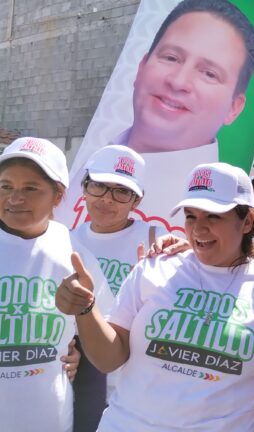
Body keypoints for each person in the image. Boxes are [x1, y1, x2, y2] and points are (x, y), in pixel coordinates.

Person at [55, 162, 254, 431]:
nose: (198, 228)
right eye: (191, 216)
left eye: (213, 216)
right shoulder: (155, 266)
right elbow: (110, 359)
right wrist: (87, 308)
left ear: (247, 222)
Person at [61, 0, 254, 232]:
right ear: (142, 67)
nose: (178, 82)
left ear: (234, 107)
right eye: (171, 58)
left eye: (209, 73)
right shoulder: (96, 158)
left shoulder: (219, 206)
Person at [0, 137, 113, 432]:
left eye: (31, 188)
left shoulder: (76, 255)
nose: (15, 198)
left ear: (58, 196)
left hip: (49, 421)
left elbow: (103, 346)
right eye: (6, 187)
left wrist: (82, 351)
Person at [69, 144, 165, 431]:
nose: (107, 200)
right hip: (81, 378)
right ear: (84, 188)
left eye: (121, 191)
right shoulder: (65, 240)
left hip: (136, 384)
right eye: (99, 186)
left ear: (137, 200)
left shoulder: (158, 240)